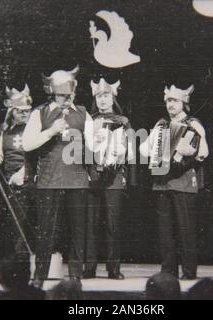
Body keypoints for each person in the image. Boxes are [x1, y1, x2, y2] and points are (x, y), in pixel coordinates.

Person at [22, 66, 94, 285]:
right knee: (46, 231)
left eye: (69, 92)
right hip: (49, 179)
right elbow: (27, 143)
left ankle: (75, 277)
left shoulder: (82, 113)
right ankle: (39, 276)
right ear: (52, 91)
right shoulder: (40, 112)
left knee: (77, 231)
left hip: (76, 178)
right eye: (62, 93)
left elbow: (91, 146)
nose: (66, 96)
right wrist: (51, 131)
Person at [140, 84, 209, 280]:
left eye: (174, 101)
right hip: (162, 183)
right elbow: (144, 150)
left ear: (184, 103)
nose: (170, 105)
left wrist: (193, 150)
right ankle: (168, 271)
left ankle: (188, 271)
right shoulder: (161, 125)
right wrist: (155, 148)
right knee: (165, 231)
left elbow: (204, 152)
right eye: (168, 101)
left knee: (186, 229)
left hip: (184, 182)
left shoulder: (193, 124)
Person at [84, 78, 135, 280]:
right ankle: (89, 267)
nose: (103, 100)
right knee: (91, 223)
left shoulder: (123, 121)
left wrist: (125, 170)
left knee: (113, 224)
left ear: (113, 97)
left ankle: (114, 268)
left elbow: (131, 151)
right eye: (99, 96)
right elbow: (82, 149)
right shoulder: (89, 120)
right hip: (92, 176)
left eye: (106, 96)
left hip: (114, 178)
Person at [0, 85, 34, 260]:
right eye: (20, 111)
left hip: (30, 180)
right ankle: (14, 260)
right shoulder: (5, 130)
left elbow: (37, 156)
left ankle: (28, 261)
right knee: (14, 222)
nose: (24, 114)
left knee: (27, 222)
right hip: (10, 182)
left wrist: (23, 172)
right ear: (12, 111)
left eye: (27, 111)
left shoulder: (34, 129)